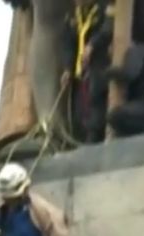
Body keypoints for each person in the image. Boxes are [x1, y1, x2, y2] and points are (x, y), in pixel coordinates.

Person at [60, 0, 115, 143]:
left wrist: (92, 45)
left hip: (99, 67)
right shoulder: (72, 15)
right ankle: (83, 141)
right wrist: (67, 68)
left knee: (96, 110)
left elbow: (108, 29)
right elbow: (68, 43)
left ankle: (94, 141)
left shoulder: (104, 7)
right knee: (79, 113)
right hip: (80, 73)